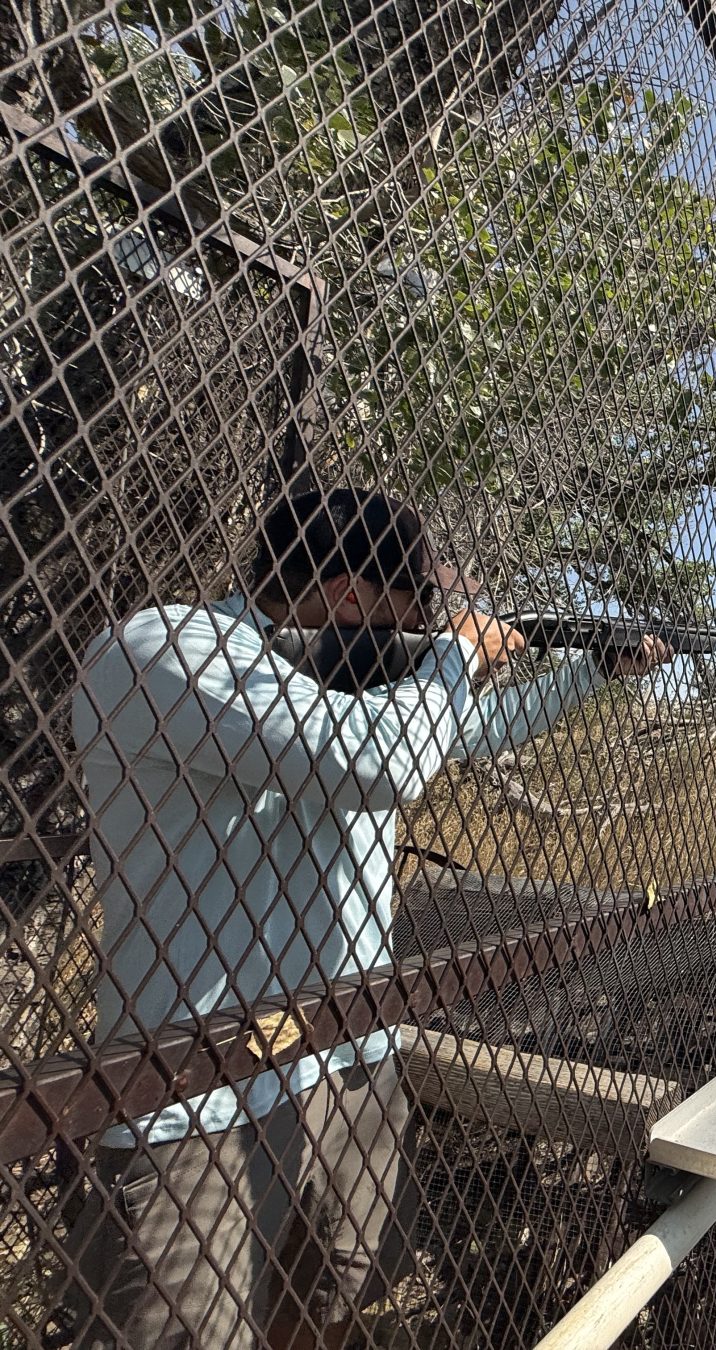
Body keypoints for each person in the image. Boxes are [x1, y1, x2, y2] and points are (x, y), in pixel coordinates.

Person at [68, 488, 671, 1350]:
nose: (433, 623)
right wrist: (454, 659)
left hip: (350, 1055)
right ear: (351, 598)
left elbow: (469, 731)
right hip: (194, 1090)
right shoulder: (166, 646)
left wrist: (590, 670)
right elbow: (378, 763)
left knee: (329, 1304)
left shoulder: (357, 680)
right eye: (423, 603)